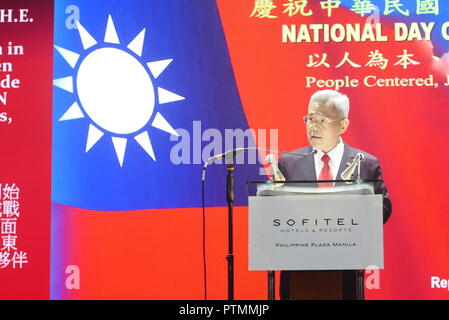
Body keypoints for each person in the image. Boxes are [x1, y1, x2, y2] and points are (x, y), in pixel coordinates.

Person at [278, 89, 392, 300]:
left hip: (346, 265)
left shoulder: (366, 163)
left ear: (343, 125)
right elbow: (274, 211)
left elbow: (383, 209)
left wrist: (353, 210)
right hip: (298, 265)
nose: (313, 126)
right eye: (310, 119)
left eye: (322, 120)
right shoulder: (288, 162)